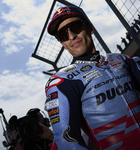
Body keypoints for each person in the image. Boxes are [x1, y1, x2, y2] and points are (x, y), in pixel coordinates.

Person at [45, 6, 140, 150]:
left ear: (90, 27)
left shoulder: (122, 59)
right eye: (63, 35)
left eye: (75, 27)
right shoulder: (63, 81)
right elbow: (65, 143)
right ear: (62, 43)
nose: (71, 36)